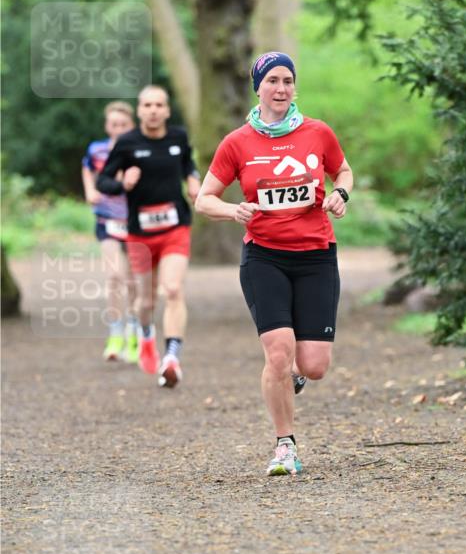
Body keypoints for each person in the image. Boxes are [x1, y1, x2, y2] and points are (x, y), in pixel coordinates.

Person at [195, 51, 353, 476]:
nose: (281, 89)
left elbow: (343, 172)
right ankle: (285, 445)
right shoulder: (237, 142)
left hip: (317, 255)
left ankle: (296, 376)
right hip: (264, 258)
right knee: (278, 355)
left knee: (314, 366)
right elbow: (203, 198)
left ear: (294, 87)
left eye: (287, 81)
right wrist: (233, 211)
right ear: (258, 87)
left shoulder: (318, 133)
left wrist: (341, 194)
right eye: (272, 81)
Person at [96, 85, 201, 388]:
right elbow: (104, 180)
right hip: (140, 233)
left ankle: (171, 357)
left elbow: (187, 165)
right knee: (145, 300)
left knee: (172, 289)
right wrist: (122, 184)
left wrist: (193, 182)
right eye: (147, 105)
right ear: (139, 111)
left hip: (175, 228)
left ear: (167, 110)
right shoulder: (127, 143)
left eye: (159, 105)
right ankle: (145, 337)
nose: (153, 110)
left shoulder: (178, 137)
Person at [81, 101, 138, 362]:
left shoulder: (138, 149)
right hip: (107, 219)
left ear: (131, 126)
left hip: (135, 221)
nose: (118, 129)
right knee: (114, 276)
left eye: (123, 125)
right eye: (114, 125)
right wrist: (90, 190)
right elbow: (87, 167)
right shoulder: (97, 149)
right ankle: (115, 334)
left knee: (132, 280)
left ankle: (135, 331)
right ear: (107, 126)